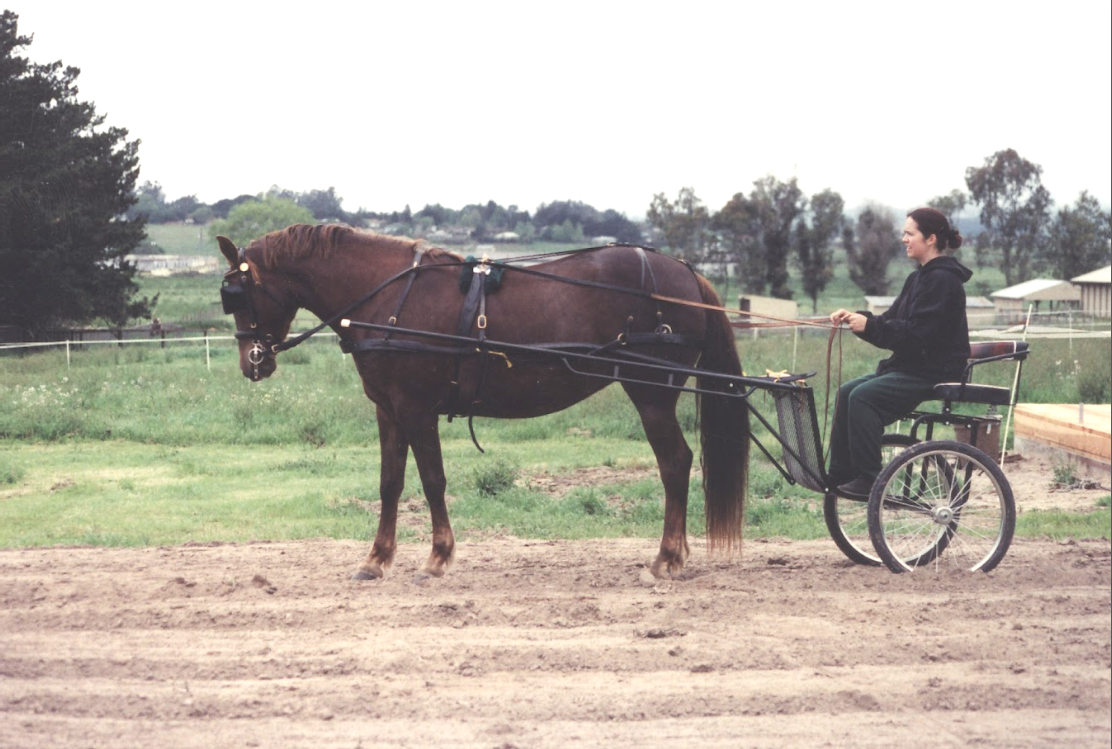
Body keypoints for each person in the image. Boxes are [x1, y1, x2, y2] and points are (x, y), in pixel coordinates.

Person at [827, 207, 972, 499]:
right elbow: (894, 322)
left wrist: (869, 326)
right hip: (914, 366)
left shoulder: (944, 281)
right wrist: (859, 319)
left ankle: (870, 479)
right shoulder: (918, 278)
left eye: (909, 233)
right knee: (846, 392)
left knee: (862, 397)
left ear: (930, 239)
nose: (903, 239)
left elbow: (917, 335)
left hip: (934, 369)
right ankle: (841, 475)